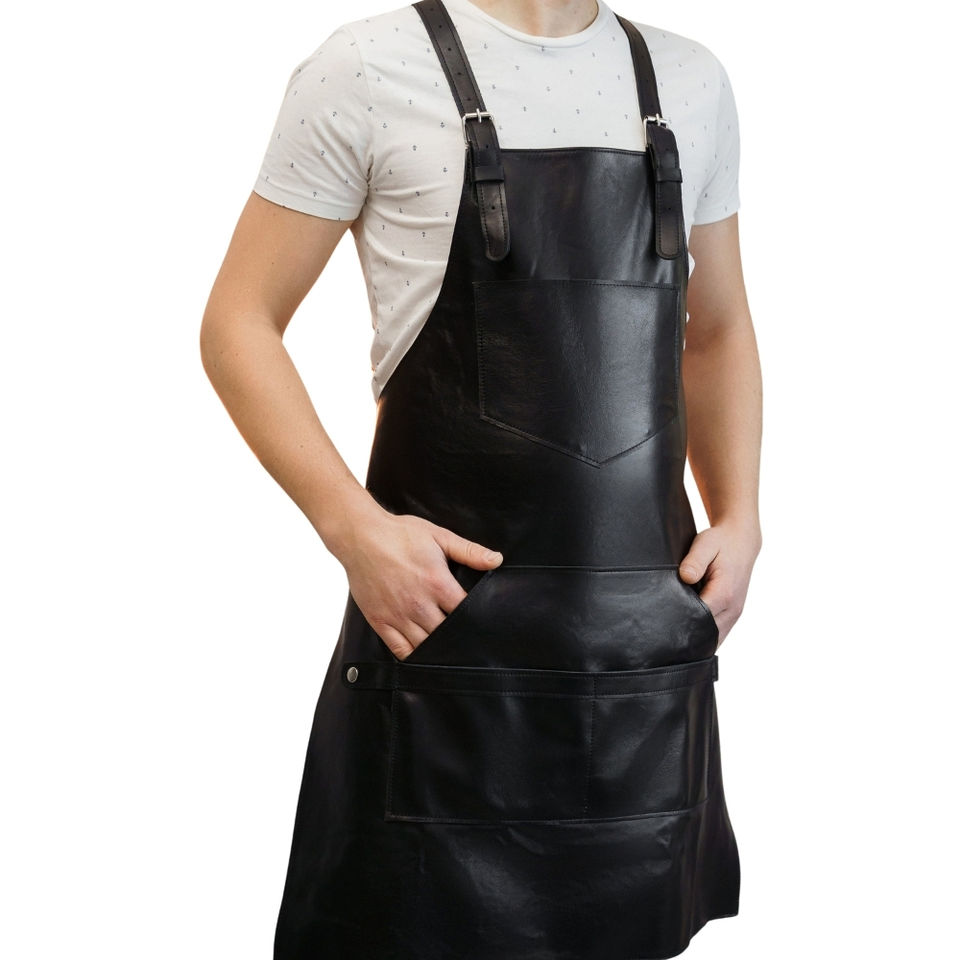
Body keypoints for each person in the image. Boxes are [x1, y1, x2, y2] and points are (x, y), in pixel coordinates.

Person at [200, 1, 762, 957]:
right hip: (444, 649)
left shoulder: (691, 80)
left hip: (635, 668)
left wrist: (741, 515)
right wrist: (353, 529)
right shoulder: (366, 67)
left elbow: (715, 331)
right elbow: (238, 322)